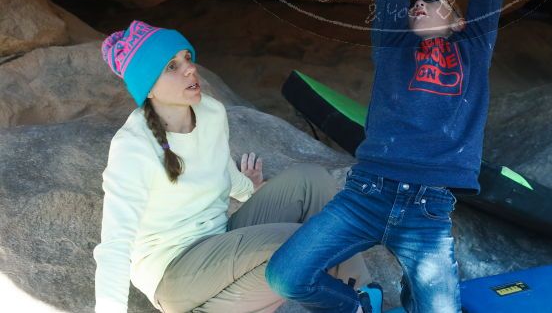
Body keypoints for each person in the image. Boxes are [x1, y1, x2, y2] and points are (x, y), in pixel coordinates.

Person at [265, 0, 505, 313]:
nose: (417, 5)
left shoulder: (474, 48)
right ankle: (359, 306)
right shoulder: (394, 46)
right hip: (366, 195)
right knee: (285, 277)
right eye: (411, 4)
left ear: (458, 20)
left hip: (428, 210)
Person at [93, 20, 370, 313]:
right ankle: (347, 306)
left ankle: (364, 291)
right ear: (148, 88)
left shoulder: (211, 112)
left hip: (221, 240)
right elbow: (115, 243)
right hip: (174, 274)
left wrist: (248, 188)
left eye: (187, 58)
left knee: (312, 180)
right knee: (298, 242)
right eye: (171, 67)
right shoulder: (133, 147)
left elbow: (218, 166)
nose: (189, 68)